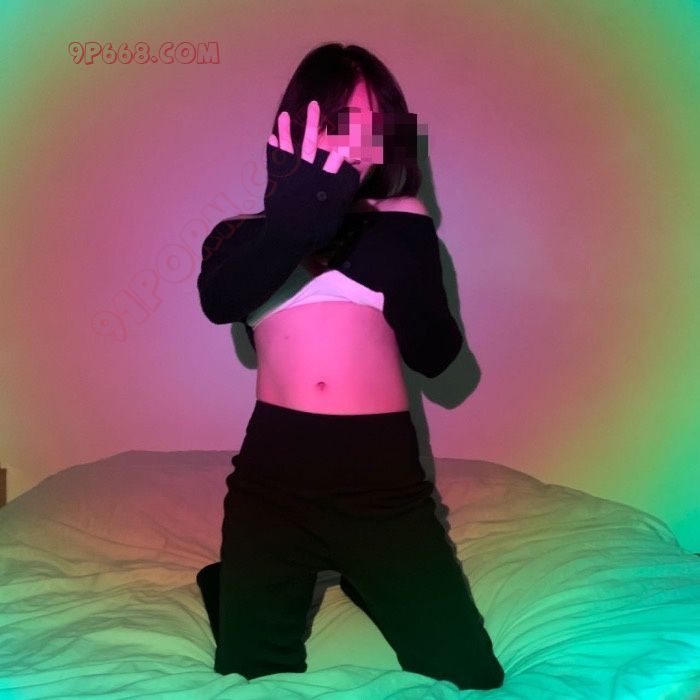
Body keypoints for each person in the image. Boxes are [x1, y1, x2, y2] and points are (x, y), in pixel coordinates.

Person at [195, 42, 505, 691]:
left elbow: (437, 358)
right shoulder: (237, 235)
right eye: (339, 120)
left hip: (381, 483)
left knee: (467, 674)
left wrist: (388, 236)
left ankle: (363, 574)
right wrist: (291, 228)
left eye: (374, 123)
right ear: (296, 126)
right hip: (271, 482)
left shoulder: (403, 222)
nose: (358, 141)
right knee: (251, 673)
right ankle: (240, 581)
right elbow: (219, 302)